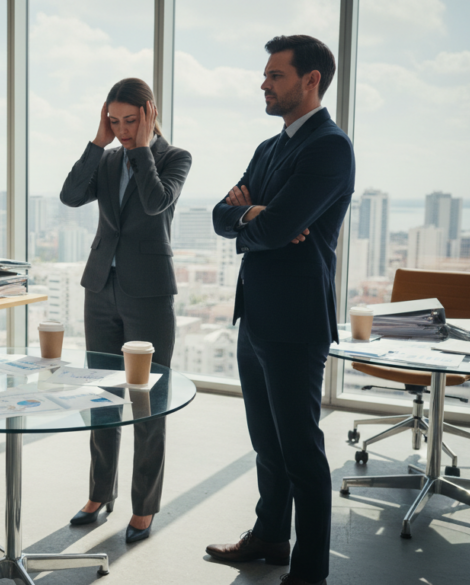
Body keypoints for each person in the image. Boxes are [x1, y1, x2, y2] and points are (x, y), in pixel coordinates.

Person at [207, 35, 355, 585]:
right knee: (267, 444)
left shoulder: (329, 147)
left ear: (310, 80)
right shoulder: (270, 147)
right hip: (256, 313)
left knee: (300, 452)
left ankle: (309, 572)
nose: (263, 85)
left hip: (295, 319)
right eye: (266, 74)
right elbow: (221, 215)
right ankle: (270, 537)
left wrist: (260, 219)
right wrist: (255, 217)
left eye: (276, 75)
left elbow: (276, 227)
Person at [59, 78, 192, 544]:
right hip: (100, 288)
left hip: (148, 293)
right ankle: (100, 493)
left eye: (130, 121)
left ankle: (144, 505)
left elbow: (156, 202)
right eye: (114, 121)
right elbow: (70, 195)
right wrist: (98, 143)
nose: (122, 130)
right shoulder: (109, 156)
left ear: (150, 113)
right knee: (101, 395)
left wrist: (141, 148)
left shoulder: (175, 158)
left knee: (148, 402)